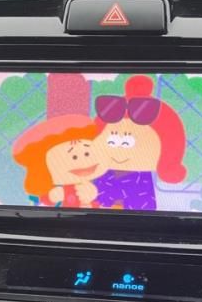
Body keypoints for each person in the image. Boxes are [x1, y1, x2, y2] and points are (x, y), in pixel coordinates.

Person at [92, 75, 187, 211]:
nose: (120, 150)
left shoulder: (142, 184)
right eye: (111, 141)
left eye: (127, 143)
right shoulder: (99, 175)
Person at [12, 114, 107, 208]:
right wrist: (53, 196)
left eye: (87, 153)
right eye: (74, 157)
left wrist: (91, 198)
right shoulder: (57, 190)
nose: (82, 160)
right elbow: (41, 202)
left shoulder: (103, 182)